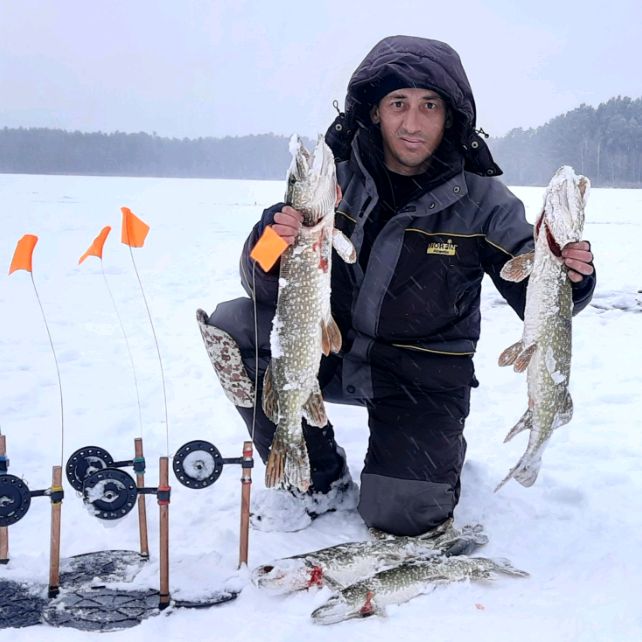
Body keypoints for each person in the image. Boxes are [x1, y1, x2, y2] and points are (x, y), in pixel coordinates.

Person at [197, 35, 595, 536]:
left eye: (429, 106)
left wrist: (573, 277)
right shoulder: (331, 184)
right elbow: (258, 282)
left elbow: (537, 296)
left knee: (403, 516)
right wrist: (270, 239)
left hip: (422, 377)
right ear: (374, 112)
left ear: (451, 117)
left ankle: (435, 450)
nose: (412, 123)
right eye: (398, 104)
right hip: (331, 350)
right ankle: (316, 474)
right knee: (235, 326)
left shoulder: (486, 202)